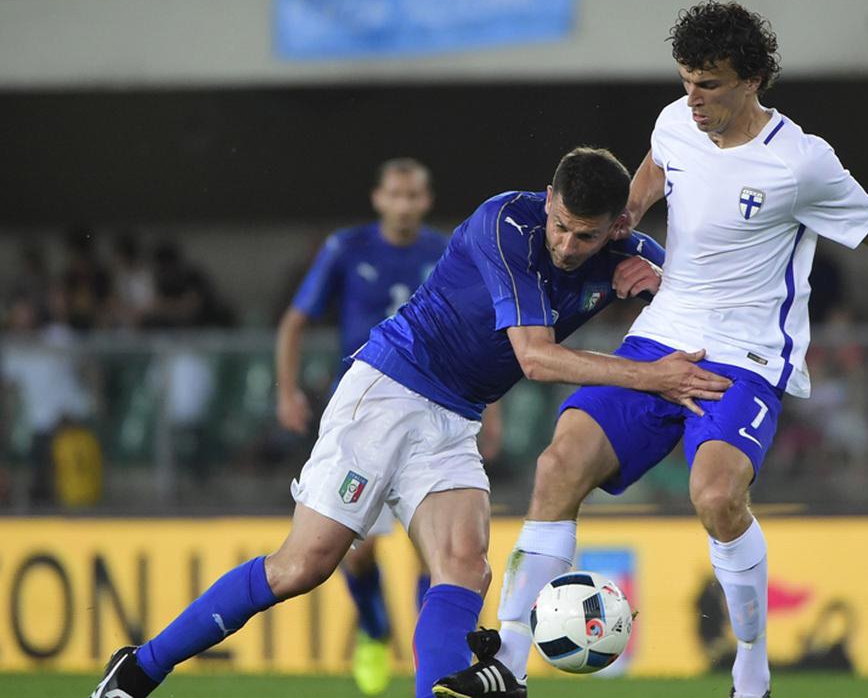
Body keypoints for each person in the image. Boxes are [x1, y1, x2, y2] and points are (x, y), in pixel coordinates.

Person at [436, 2, 868, 698]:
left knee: (714, 496)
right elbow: (650, 177)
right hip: (658, 339)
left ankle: (751, 669)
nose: (693, 98)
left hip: (744, 357)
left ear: (753, 79)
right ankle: (509, 663)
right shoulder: (676, 123)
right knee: (558, 463)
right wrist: (626, 241)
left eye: (709, 84)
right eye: (686, 81)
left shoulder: (803, 163)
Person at [91, 146, 730, 698]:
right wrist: (653, 375)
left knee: (464, 566)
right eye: (561, 225)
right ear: (548, 200)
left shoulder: (635, 252)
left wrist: (659, 285)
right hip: (390, 389)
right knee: (304, 566)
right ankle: (139, 670)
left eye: (585, 237)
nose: (567, 245)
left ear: (618, 227)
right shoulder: (505, 221)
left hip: (455, 417)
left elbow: (703, 303)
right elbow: (534, 359)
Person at [274, 157, 448, 695]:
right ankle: (374, 631)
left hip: (432, 409)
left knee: (437, 550)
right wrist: (286, 390)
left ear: (426, 201)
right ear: (379, 199)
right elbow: (294, 321)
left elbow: (480, 330)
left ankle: (430, 659)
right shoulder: (346, 248)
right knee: (358, 549)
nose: (404, 205)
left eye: (413, 196)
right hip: (363, 415)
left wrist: (494, 412)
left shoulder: (442, 251)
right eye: (395, 195)